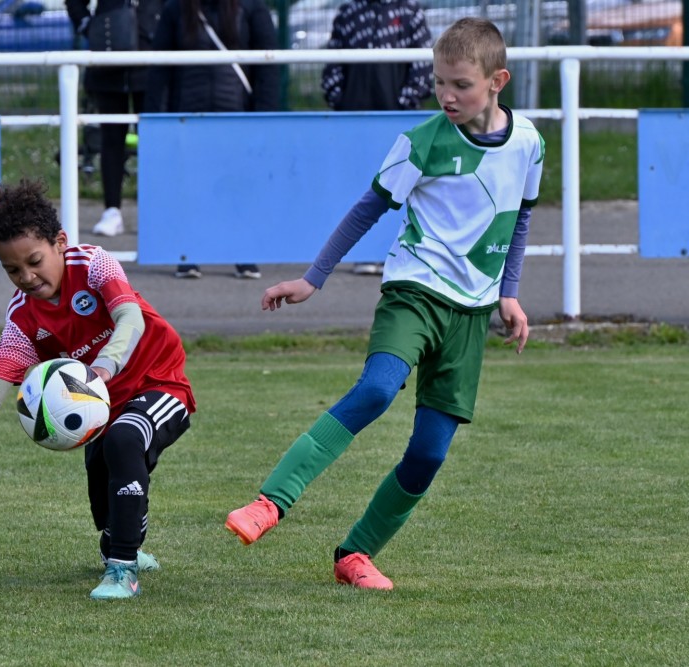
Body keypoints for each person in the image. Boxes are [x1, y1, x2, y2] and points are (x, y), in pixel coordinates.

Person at [225, 17, 544, 590]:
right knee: (376, 390)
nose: (447, 95)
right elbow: (366, 209)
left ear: (498, 81)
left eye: (461, 85)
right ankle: (269, 502)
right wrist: (313, 279)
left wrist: (509, 294)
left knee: (429, 454)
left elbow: (519, 219)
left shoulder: (529, 143)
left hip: (471, 315)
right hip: (413, 293)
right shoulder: (421, 142)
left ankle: (356, 554)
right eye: (439, 82)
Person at [0, 178, 195, 601]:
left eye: (35, 261)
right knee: (104, 487)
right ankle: (118, 540)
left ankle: (123, 568)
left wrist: (104, 366)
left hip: (160, 379)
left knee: (125, 439)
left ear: (60, 242)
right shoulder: (22, 318)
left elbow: (130, 318)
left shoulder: (94, 264)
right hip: (101, 404)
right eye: (12, 269)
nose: (26, 276)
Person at [144, 0, 278, 280]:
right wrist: (157, 119)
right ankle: (189, 253)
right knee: (190, 186)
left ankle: (244, 252)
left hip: (238, 116)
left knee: (240, 187)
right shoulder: (176, 9)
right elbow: (159, 70)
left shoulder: (251, 7)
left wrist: (263, 117)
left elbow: (268, 68)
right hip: (188, 116)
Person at [321, 0, 433, 277]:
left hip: (396, 123)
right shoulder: (349, 12)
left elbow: (423, 66)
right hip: (353, 123)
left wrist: (402, 105)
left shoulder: (409, 11)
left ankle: (391, 252)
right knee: (357, 188)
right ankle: (361, 252)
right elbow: (332, 64)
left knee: (398, 187)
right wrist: (342, 102)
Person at [66, 0, 163, 238]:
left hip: (151, 57)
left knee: (154, 139)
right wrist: (89, 26)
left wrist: (164, 27)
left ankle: (156, 211)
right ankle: (112, 210)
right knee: (111, 138)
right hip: (108, 57)